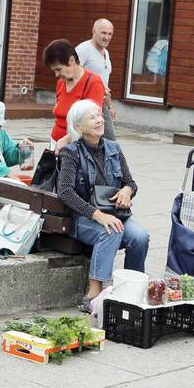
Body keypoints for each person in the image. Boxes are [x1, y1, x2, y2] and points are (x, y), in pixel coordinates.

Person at [57, 99, 148, 312]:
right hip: (83, 219)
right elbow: (65, 192)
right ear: (78, 127)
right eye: (92, 117)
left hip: (115, 215)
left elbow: (131, 183)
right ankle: (94, 294)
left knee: (140, 237)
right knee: (111, 231)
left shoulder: (114, 148)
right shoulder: (70, 152)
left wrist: (127, 191)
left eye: (99, 115)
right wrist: (97, 215)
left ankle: (132, 288)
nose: (100, 120)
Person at [43, 38, 105, 153]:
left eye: (59, 69)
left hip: (78, 148)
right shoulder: (61, 82)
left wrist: (66, 140)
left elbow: (93, 122)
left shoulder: (93, 82)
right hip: (56, 143)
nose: (56, 74)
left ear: (71, 60)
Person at [75, 19, 118, 140]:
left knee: (107, 141)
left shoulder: (106, 53)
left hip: (101, 103)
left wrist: (110, 106)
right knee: (104, 140)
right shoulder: (83, 50)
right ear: (94, 31)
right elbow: (72, 76)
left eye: (110, 34)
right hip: (86, 104)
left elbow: (104, 83)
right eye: (103, 33)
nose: (107, 37)